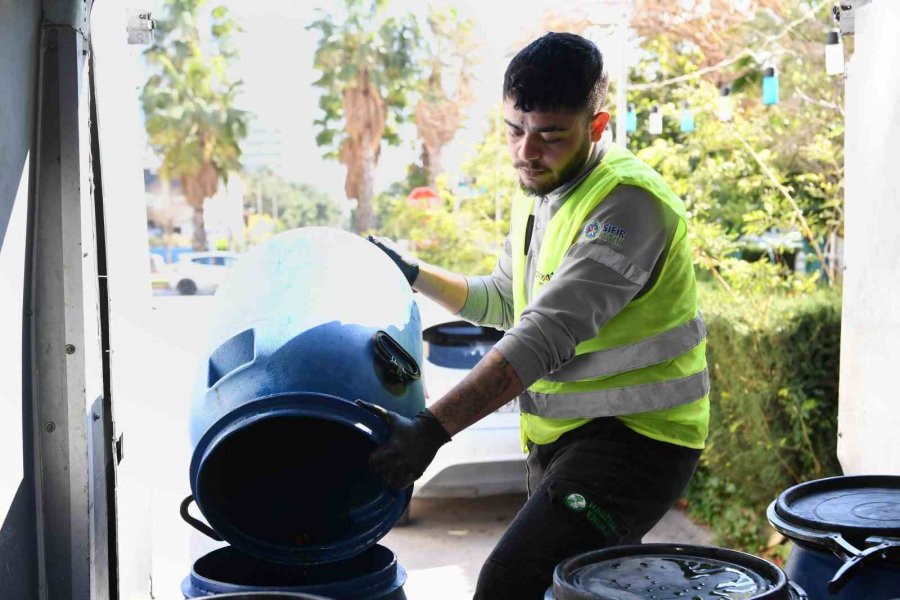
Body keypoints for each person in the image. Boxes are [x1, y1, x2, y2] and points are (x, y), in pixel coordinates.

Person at [359, 31, 710, 599]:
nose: (526, 151)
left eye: (550, 135)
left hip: (640, 443)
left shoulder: (628, 204)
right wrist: (414, 272)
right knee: (584, 592)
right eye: (514, 130)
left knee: (508, 584)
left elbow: (545, 333)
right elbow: (504, 299)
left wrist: (431, 430)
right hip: (568, 439)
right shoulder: (540, 191)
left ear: (596, 127)